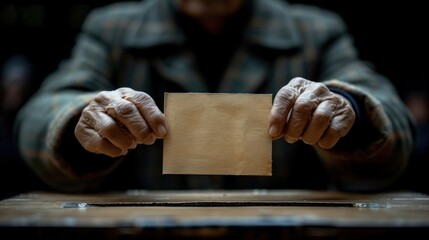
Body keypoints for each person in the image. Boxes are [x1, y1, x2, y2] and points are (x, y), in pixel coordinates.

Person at [14, 0, 416, 193]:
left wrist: (351, 114)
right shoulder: (112, 28)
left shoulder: (316, 31)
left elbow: (394, 129)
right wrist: (81, 125)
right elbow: (36, 119)